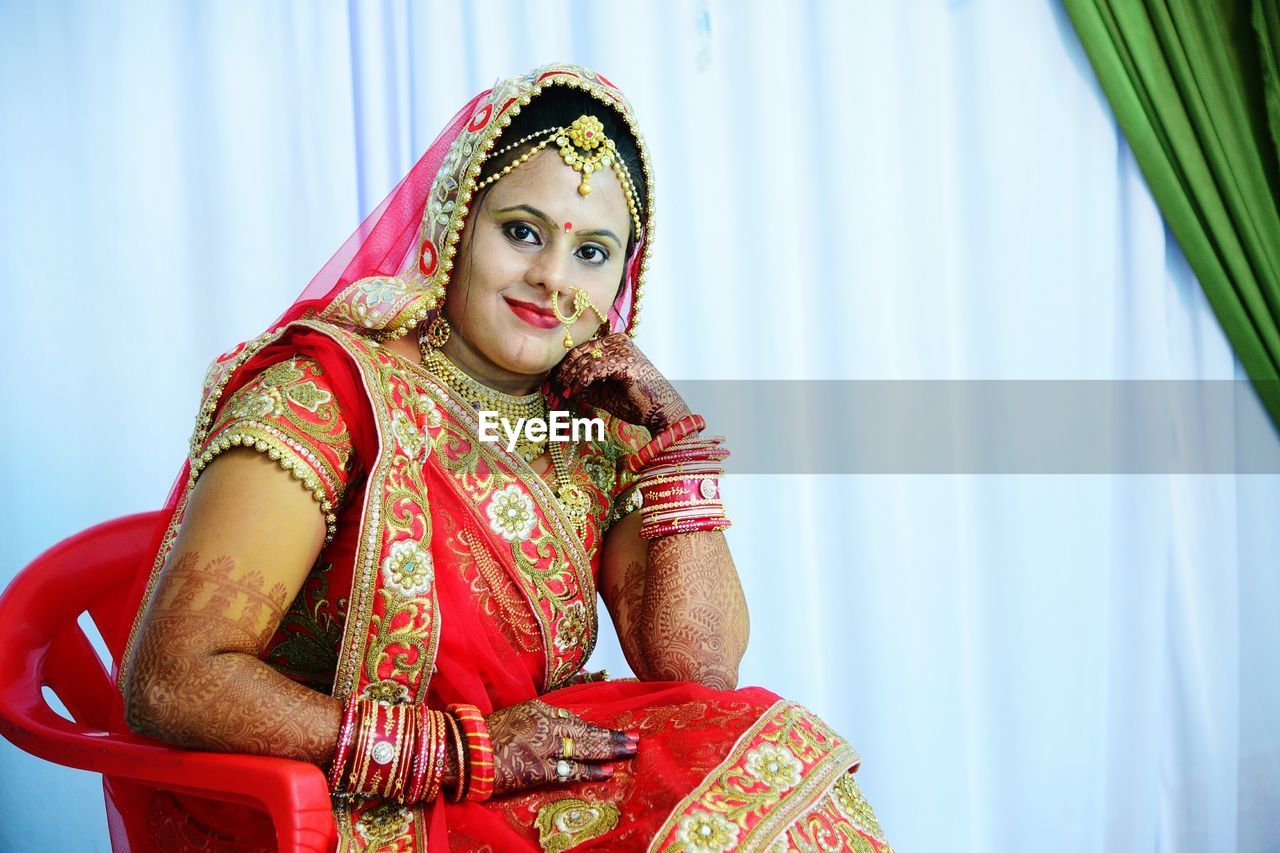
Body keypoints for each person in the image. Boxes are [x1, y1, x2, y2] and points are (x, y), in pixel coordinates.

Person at [115, 62, 892, 852]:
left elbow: (700, 674)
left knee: (775, 769)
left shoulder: (593, 420)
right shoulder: (327, 395)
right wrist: (453, 753)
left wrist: (673, 436)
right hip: (333, 795)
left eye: (592, 253)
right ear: (457, 219)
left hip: (520, 777)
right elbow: (173, 680)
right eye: (522, 231)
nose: (552, 279)